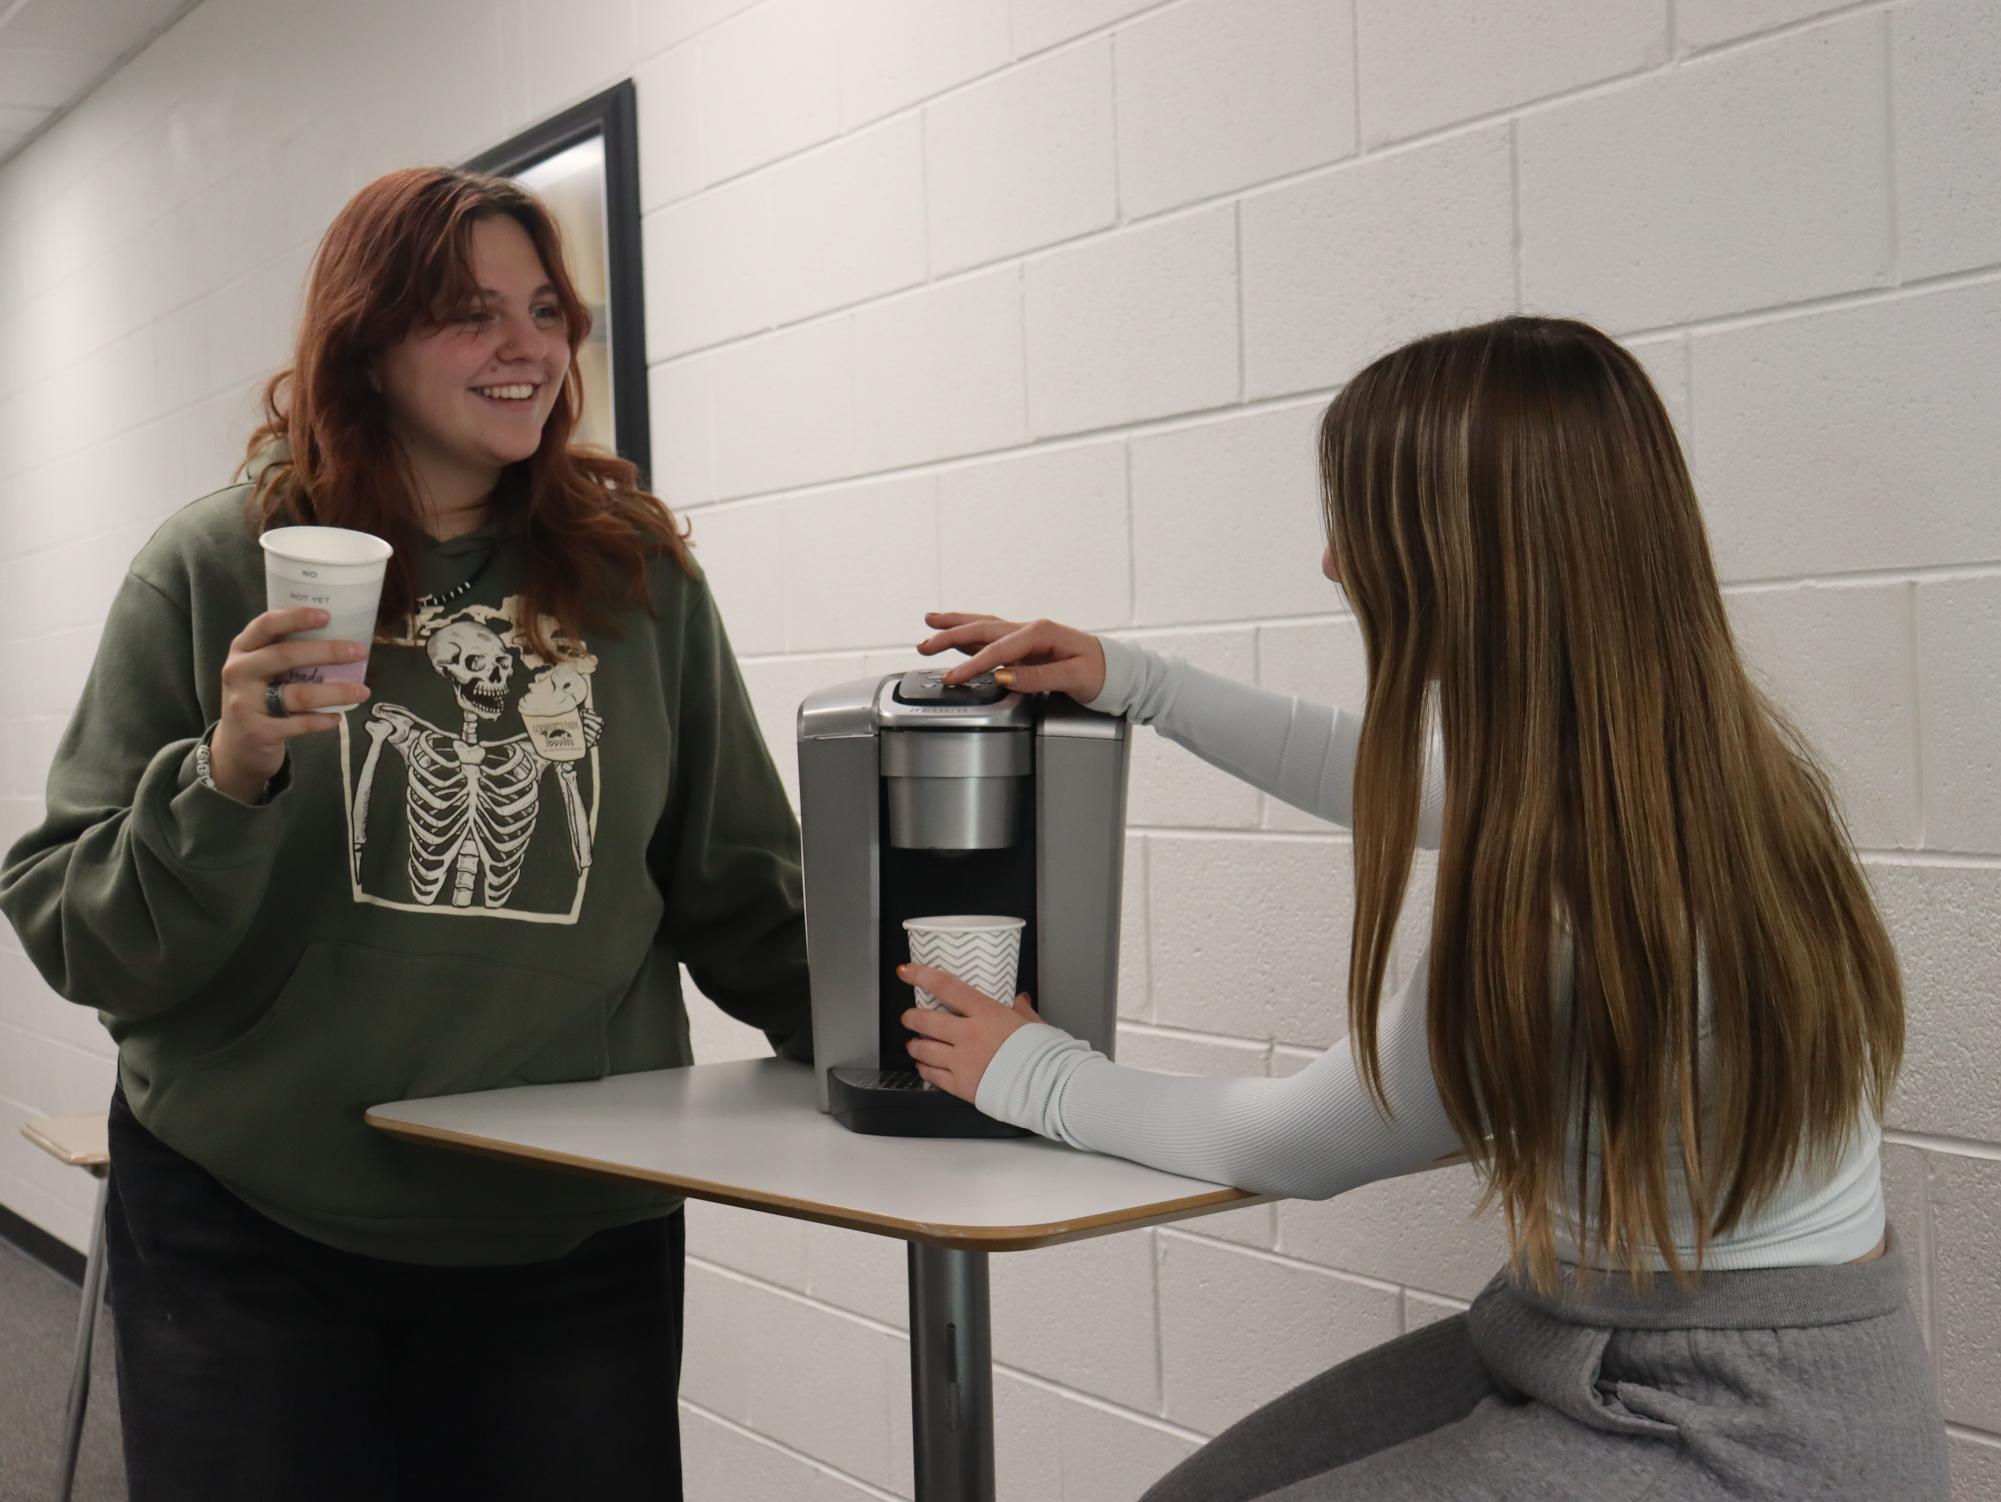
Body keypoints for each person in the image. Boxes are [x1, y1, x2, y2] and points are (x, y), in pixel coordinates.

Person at [897, 317, 1949, 1501]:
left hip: (1736, 1423)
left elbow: (1290, 1143)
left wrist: (1026, 1068)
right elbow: (1375, 768)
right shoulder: (1678, 766)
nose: (1336, 565)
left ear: (1464, 555)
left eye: (1361, 525)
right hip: (1596, 1332)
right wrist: (1130, 678)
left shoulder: (1576, 883)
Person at [0, 167, 809, 1501]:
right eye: (468, 311)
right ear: (366, 344)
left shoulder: (631, 580)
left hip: (565, 1225)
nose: (525, 348)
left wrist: (933, 1062)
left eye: (546, 310)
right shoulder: (218, 562)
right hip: (249, 1214)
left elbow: (740, 890)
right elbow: (80, 930)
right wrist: (226, 775)